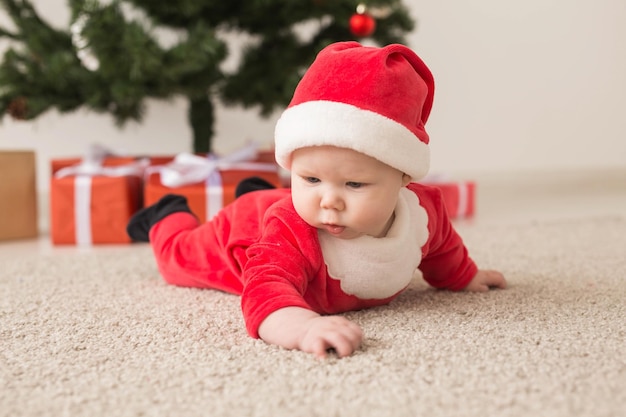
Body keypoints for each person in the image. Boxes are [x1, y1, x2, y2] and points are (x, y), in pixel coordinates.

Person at [127, 41, 506, 359]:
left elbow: (442, 248)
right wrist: (302, 326)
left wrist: (463, 276)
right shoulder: (293, 229)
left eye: (354, 184)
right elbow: (264, 288)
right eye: (309, 177)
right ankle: (168, 213)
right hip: (243, 236)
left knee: (290, 199)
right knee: (179, 258)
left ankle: (265, 190)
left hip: (279, 204)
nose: (330, 202)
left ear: (404, 177)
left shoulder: (424, 211)